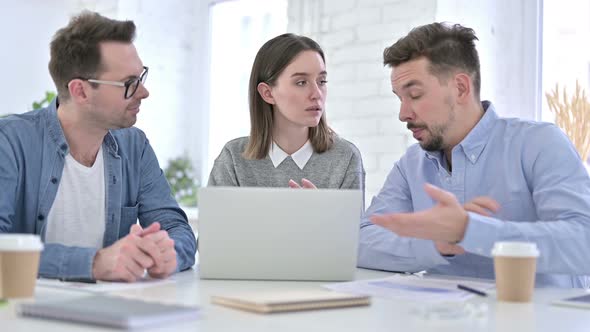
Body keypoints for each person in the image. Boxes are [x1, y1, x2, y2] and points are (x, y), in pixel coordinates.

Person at [358, 22, 590, 287]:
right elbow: (363, 240)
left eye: (415, 95)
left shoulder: (539, 143)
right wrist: (437, 244)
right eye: (400, 98)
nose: (403, 114)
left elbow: (584, 242)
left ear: (460, 88)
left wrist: (470, 230)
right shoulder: (411, 164)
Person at [0, 12, 196, 282]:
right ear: (80, 91)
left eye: (141, 77)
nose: (143, 92)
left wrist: (170, 253)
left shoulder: (135, 147)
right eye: (129, 83)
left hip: (109, 313)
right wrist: (94, 263)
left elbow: (176, 228)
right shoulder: (9, 142)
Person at [208, 33, 365, 195]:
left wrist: (322, 214)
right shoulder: (232, 159)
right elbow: (216, 221)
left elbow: (351, 221)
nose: (317, 93)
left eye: (322, 81)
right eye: (301, 82)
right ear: (267, 93)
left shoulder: (346, 157)